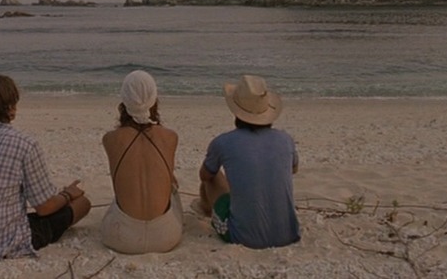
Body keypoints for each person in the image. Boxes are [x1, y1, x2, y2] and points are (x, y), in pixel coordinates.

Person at [0, 75, 91, 260]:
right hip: (2, 242)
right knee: (83, 204)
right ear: (11, 107)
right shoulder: (25, 143)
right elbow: (44, 208)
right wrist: (67, 194)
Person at [196, 74, 300, 249]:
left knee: (211, 176)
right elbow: (293, 170)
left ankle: (208, 210)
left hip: (243, 237)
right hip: (288, 235)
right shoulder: (285, 139)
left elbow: (205, 175)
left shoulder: (223, 142)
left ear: (236, 111)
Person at [100, 70, 183, 253]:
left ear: (123, 101)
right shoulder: (170, 137)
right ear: (154, 100)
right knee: (173, 187)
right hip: (166, 237)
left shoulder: (110, 139)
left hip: (121, 237)